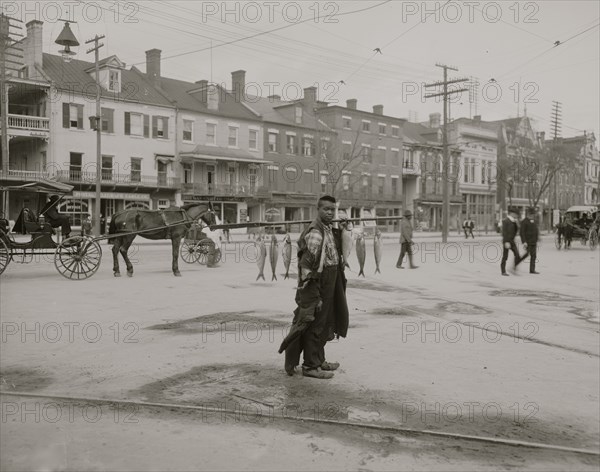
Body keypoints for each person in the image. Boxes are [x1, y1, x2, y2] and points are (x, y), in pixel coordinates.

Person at [282, 195, 349, 380]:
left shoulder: (327, 229)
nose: (330, 212)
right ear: (317, 210)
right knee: (315, 325)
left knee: (326, 323)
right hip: (317, 285)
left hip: (330, 282)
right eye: (326, 209)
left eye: (332, 210)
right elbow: (306, 267)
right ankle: (310, 366)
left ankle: (319, 360)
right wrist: (313, 294)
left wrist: (343, 229)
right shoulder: (316, 232)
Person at [500, 207, 522, 276]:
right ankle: (503, 271)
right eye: (516, 214)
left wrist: (517, 224)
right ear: (512, 213)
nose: (517, 216)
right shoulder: (505, 221)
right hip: (507, 241)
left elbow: (516, 230)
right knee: (505, 256)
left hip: (512, 241)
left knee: (517, 255)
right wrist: (506, 242)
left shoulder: (514, 221)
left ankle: (513, 268)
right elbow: (504, 232)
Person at [518, 207, 540, 274]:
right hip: (528, 242)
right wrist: (524, 241)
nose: (533, 216)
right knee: (526, 254)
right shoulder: (524, 222)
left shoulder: (534, 221)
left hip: (533, 242)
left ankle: (532, 270)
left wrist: (537, 239)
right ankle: (516, 263)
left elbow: (536, 231)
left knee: (534, 256)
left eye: (533, 215)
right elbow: (522, 233)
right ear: (528, 214)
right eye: (532, 215)